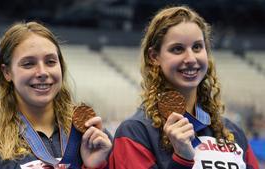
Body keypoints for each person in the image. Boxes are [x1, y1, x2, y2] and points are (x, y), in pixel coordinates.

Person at [108, 6, 259, 169]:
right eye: (177, 49)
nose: (191, 58)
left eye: (197, 47)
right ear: (154, 57)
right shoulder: (136, 132)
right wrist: (182, 159)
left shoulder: (232, 132)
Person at [0, 21, 111, 169]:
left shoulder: (93, 139)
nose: (42, 72)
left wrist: (97, 166)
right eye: (28, 64)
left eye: (50, 62)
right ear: (7, 72)